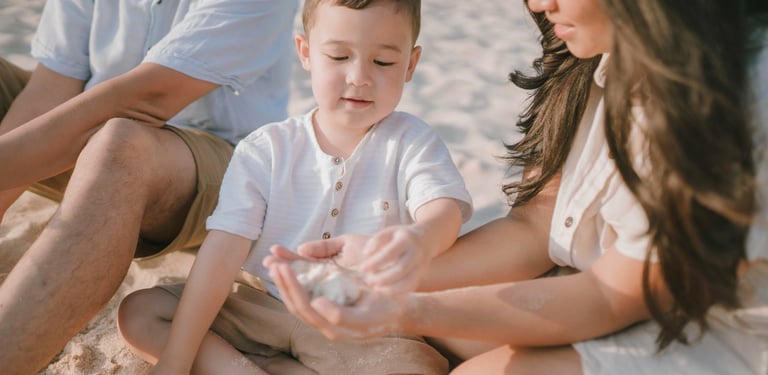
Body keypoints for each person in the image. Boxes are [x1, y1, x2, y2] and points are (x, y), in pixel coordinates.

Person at [266, 0, 768, 373]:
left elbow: (607, 297)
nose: (537, 4)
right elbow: (534, 224)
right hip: (595, 288)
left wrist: (405, 306)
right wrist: (390, 272)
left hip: (717, 334)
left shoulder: (736, 95)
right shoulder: (588, 57)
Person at [117, 0, 472, 374]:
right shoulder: (267, 147)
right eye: (338, 56)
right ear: (305, 52)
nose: (359, 77)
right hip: (260, 304)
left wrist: (421, 239)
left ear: (411, 65)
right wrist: (176, 359)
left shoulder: (411, 141)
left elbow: (442, 208)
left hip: (354, 322)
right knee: (141, 314)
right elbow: (222, 252)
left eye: (383, 62)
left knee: (412, 368)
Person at [0, 1, 298, 373]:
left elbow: (149, 97)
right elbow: (51, 88)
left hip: (224, 170)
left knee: (122, 145)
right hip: (89, 142)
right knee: (112, 140)